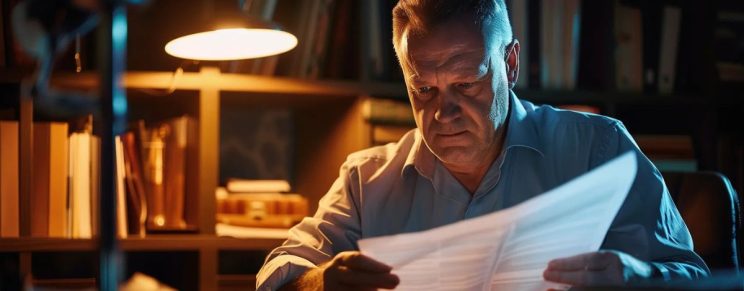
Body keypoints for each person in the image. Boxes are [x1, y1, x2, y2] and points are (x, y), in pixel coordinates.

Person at [256, 0, 710, 290]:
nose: (443, 113)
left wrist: (635, 277)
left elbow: (695, 278)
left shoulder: (597, 148)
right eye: (424, 91)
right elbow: (280, 274)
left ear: (510, 64)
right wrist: (319, 283)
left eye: (467, 84)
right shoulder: (365, 179)